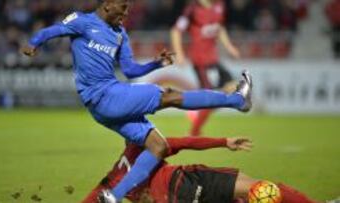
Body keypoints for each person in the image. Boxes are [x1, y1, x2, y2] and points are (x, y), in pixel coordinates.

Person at [21, 0, 252, 202]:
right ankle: (236, 100)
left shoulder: (120, 33)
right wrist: (33, 42)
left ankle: (114, 196)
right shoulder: (82, 21)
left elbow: (130, 70)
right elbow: (54, 30)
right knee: (169, 95)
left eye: (128, 9)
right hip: (104, 95)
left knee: (158, 146)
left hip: (102, 105)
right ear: (107, 4)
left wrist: (155, 64)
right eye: (122, 8)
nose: (126, 13)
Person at [82, 136, 320, 203]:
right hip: (186, 182)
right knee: (264, 189)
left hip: (175, 197)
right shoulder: (146, 145)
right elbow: (185, 142)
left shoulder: (111, 181)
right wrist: (223, 142)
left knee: (245, 196)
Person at [171, 0, 242, 137]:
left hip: (213, 59)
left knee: (231, 87)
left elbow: (219, 27)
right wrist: (179, 53)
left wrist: (229, 47)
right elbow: (176, 31)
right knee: (211, 97)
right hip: (200, 61)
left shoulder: (220, 5)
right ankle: (194, 131)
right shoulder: (192, 8)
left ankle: (196, 113)